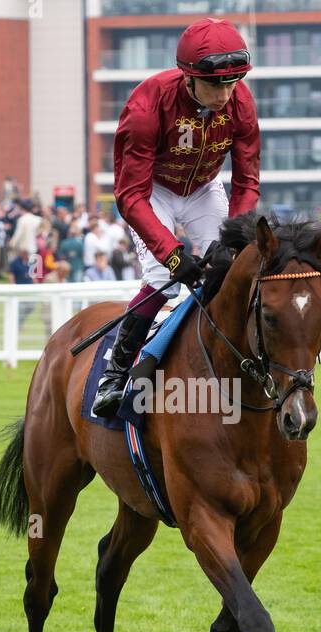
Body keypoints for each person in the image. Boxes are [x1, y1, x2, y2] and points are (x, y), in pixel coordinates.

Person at [91, 16, 261, 418]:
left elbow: (248, 181)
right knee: (164, 280)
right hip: (154, 192)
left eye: (232, 83)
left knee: (235, 266)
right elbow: (129, 195)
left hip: (204, 188)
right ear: (188, 77)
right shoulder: (147, 105)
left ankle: (235, 362)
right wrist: (173, 254)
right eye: (215, 84)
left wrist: (232, 239)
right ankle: (114, 374)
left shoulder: (242, 102)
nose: (225, 95)